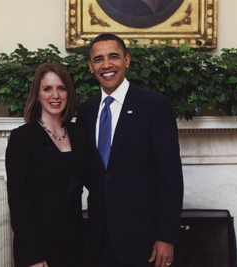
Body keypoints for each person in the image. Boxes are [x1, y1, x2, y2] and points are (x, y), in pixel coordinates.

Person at [76, 33, 184, 267]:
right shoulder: (85, 111)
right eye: (98, 59)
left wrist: (166, 236)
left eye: (113, 57)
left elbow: (170, 177)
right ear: (90, 66)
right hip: (98, 239)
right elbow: (89, 173)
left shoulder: (154, 105)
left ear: (127, 60)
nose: (106, 65)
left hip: (144, 241)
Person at [6, 63, 87, 267]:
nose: (55, 96)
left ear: (68, 93)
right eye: (47, 89)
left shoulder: (79, 135)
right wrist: (33, 256)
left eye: (61, 88)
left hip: (76, 245)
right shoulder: (22, 138)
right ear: (37, 95)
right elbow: (19, 205)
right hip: (40, 250)